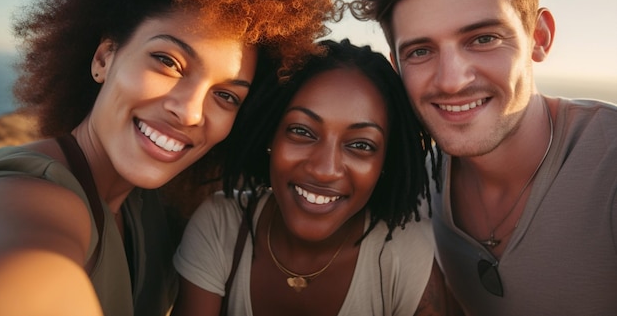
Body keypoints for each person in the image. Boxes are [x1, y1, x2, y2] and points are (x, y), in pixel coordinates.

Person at [0, 0, 347, 315]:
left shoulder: (151, 207)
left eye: (226, 96)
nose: (192, 112)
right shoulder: (32, 196)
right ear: (104, 58)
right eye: (168, 62)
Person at [351, 0, 617, 315]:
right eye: (421, 51)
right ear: (397, 67)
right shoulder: (418, 185)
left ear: (539, 37)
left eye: (483, 39)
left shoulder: (608, 166)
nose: (451, 80)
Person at [172, 39, 464, 316]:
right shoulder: (221, 226)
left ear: (385, 161)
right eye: (302, 131)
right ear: (271, 134)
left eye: (361, 145)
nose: (325, 169)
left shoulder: (407, 254)